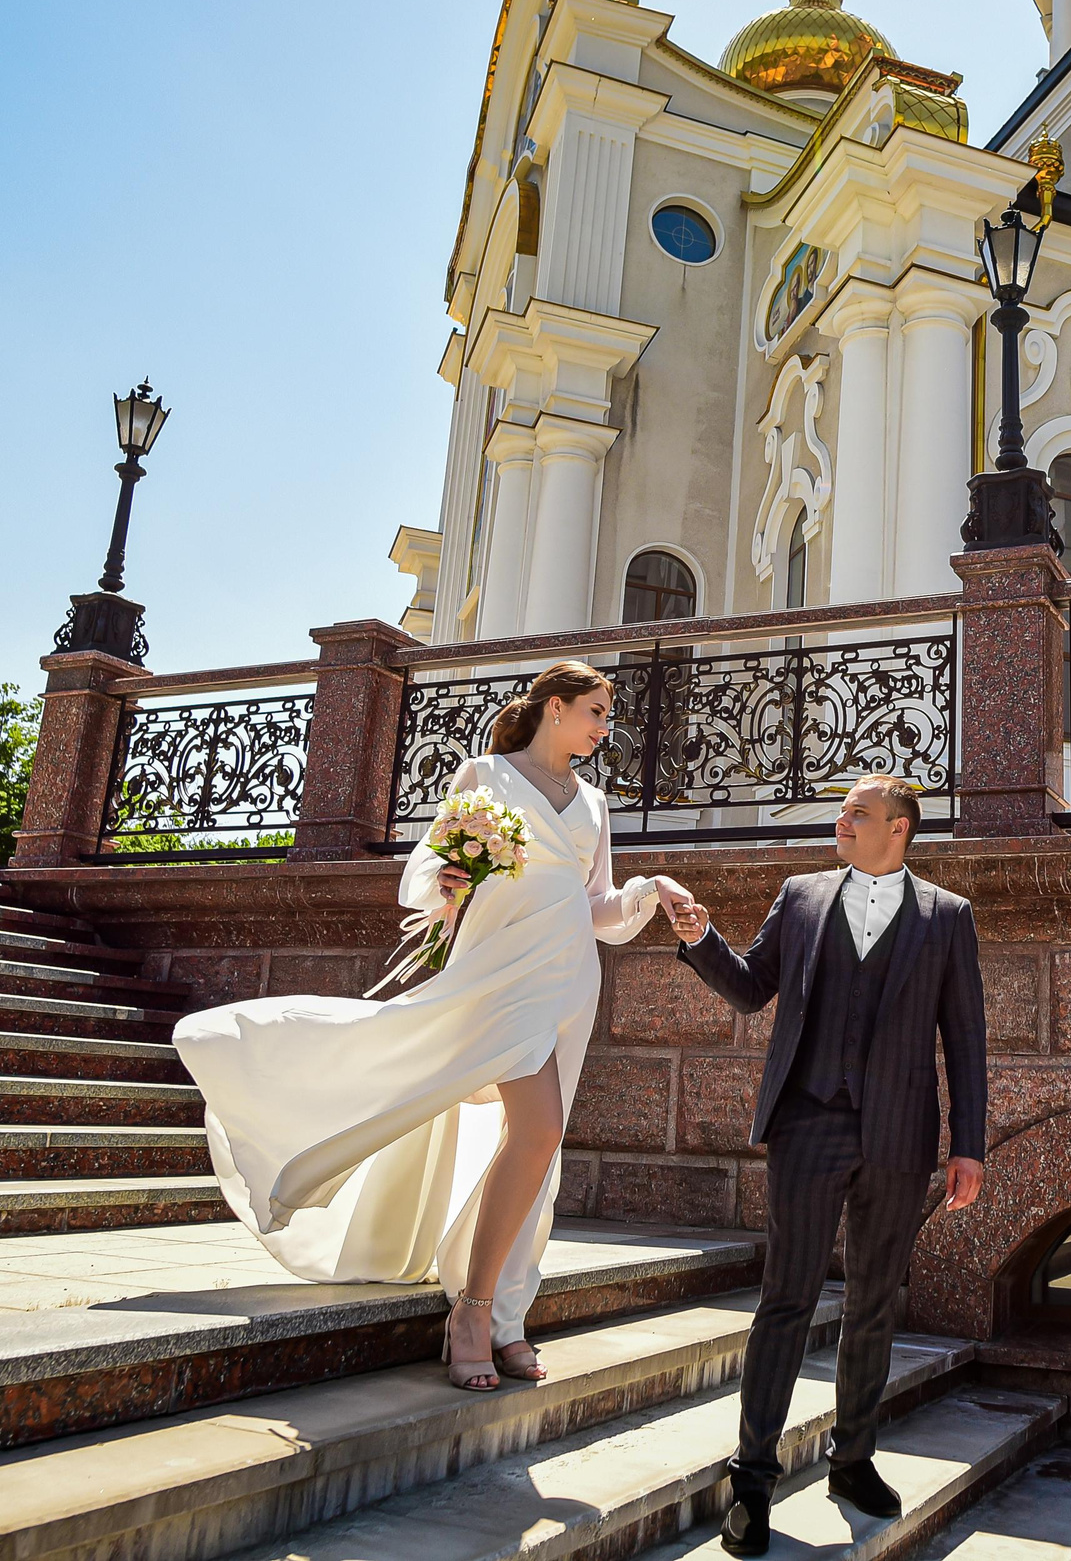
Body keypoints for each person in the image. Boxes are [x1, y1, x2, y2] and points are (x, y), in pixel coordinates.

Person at [173, 661, 694, 1392]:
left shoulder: (595, 803)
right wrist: (449, 880)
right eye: (597, 712)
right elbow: (432, 874)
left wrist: (654, 890)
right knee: (539, 1130)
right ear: (555, 708)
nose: (606, 729)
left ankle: (505, 1313)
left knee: (535, 1148)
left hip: (570, 980)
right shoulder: (485, 775)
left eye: (608, 717)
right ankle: (473, 1312)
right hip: (502, 972)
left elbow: (600, 907)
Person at [662, 774, 987, 1557]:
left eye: (860, 812)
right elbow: (750, 989)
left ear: (900, 829)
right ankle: (751, 1478)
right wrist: (703, 937)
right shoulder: (802, 895)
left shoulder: (947, 917)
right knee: (786, 1299)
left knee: (875, 1301)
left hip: (899, 1137)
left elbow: (965, 1039)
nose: (842, 819)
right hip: (808, 1125)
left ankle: (853, 1459)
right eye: (843, 809)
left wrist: (968, 1143)